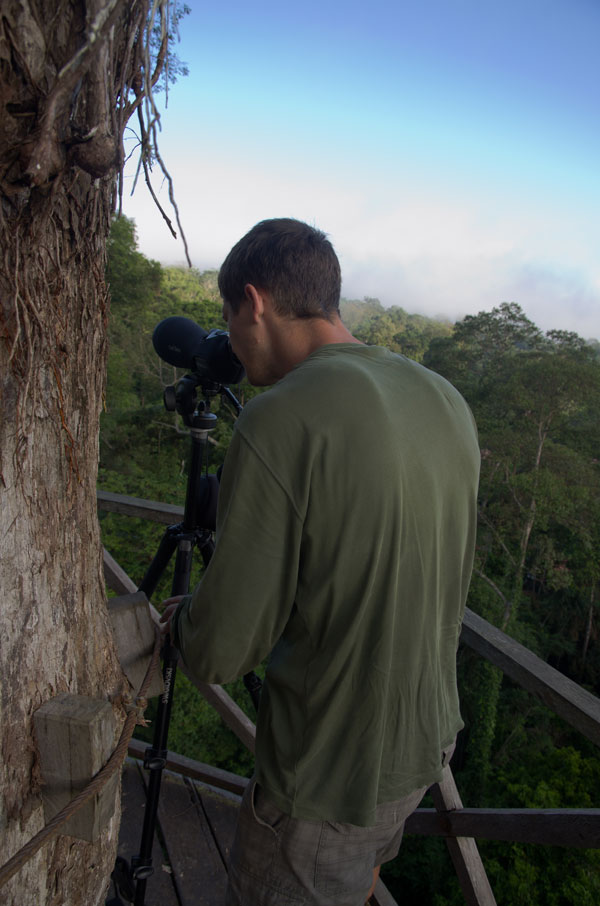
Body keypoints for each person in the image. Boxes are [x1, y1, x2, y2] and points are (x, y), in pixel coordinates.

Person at [160, 218, 480, 906]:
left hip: (326, 774)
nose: (234, 343)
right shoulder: (444, 396)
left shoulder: (280, 418)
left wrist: (173, 623)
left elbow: (218, 652)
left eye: (229, 318)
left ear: (255, 302)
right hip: (424, 746)